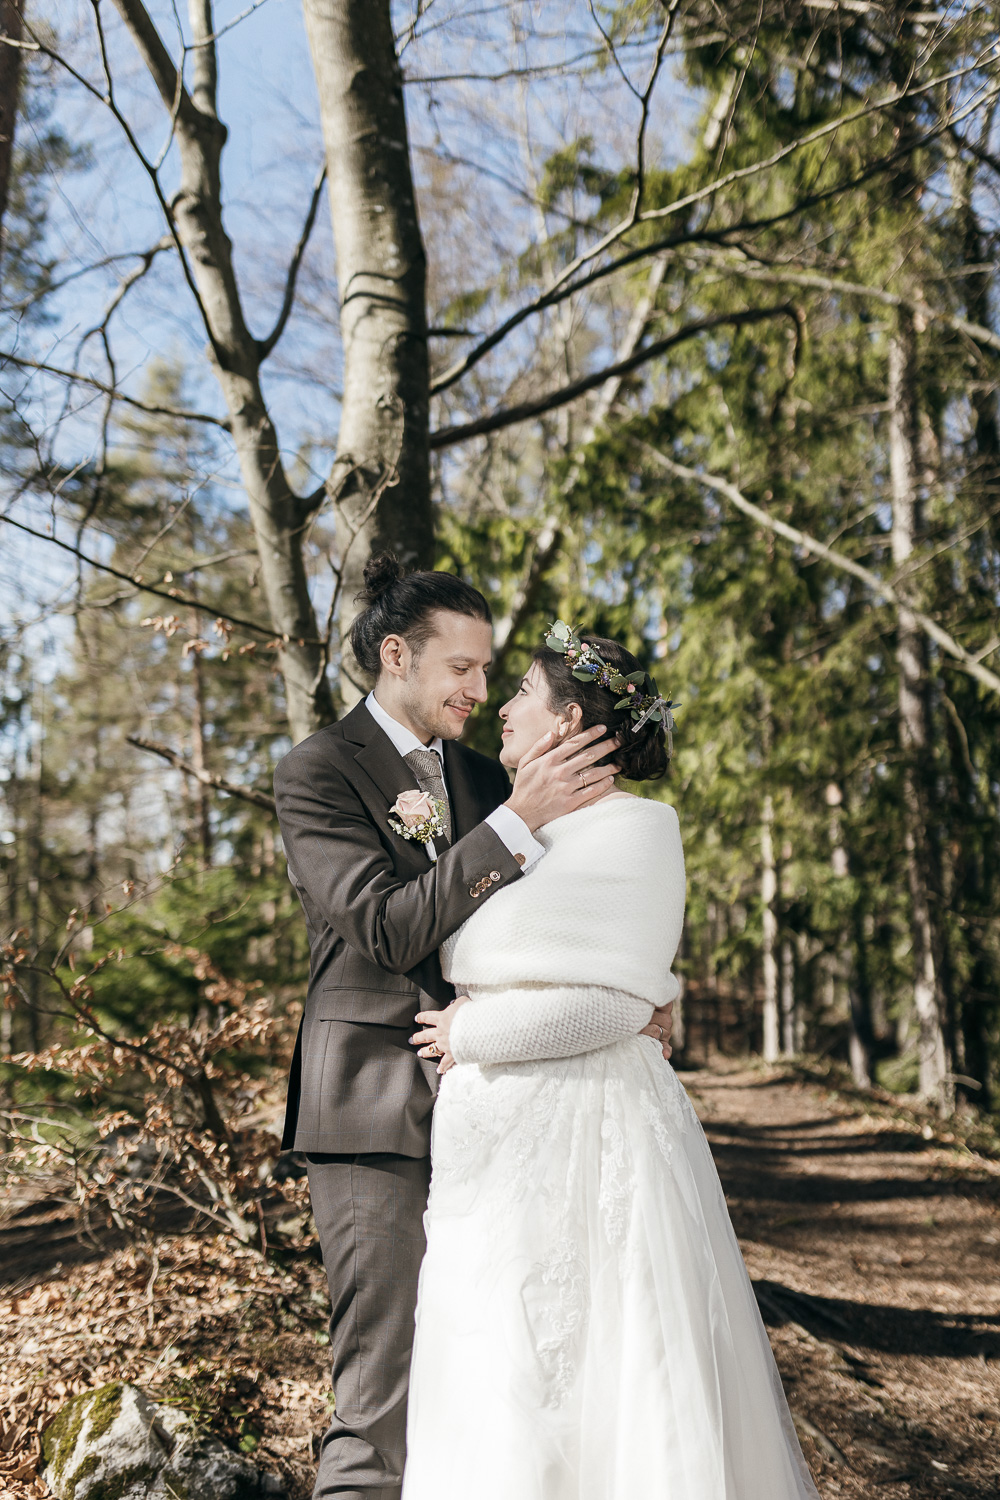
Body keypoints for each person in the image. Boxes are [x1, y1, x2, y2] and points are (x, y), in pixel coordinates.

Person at [273, 559, 675, 1500]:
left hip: (503, 1119)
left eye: (491, 672)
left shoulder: (490, 774)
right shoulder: (318, 771)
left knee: (490, 1382)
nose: (480, 690)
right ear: (396, 654)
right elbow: (382, 927)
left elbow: (579, 913)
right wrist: (514, 824)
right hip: (373, 1108)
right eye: (461, 668)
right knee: (379, 1399)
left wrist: (652, 983)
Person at [402, 622, 820, 1500]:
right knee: (492, 1370)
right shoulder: (509, 827)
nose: (502, 706)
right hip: (492, 1152)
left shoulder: (639, 830)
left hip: (588, 1140)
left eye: (520, 690)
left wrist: (471, 1035)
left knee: (592, 1373)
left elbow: (619, 1005)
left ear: (569, 724)